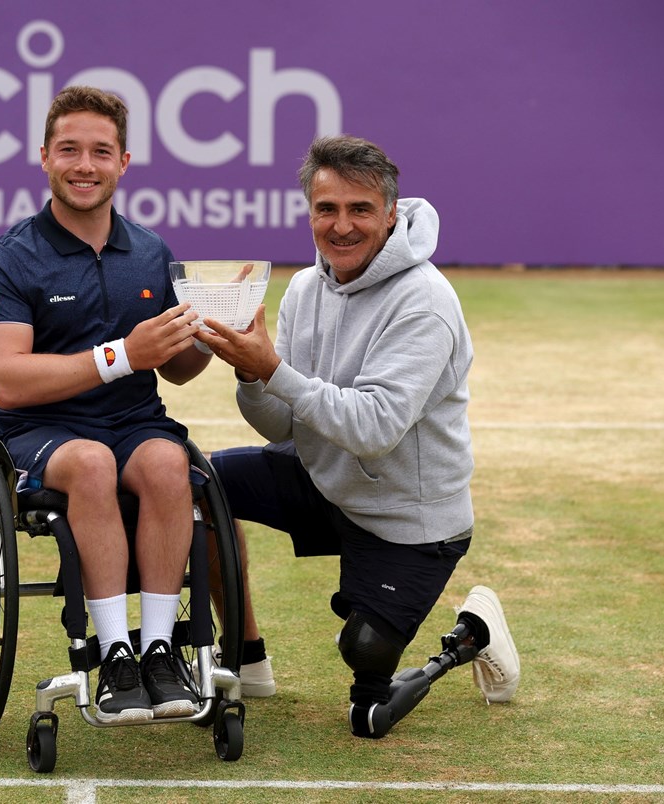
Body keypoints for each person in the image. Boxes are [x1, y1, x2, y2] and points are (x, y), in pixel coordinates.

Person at [196, 135, 520, 737]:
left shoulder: (424, 302)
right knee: (190, 481)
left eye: (360, 210)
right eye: (327, 209)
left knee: (365, 676)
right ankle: (244, 659)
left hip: (409, 518)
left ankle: (473, 634)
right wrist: (249, 372)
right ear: (309, 212)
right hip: (326, 481)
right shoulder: (302, 289)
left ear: (391, 214)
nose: (341, 226)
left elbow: (372, 429)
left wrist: (272, 369)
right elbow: (281, 425)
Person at [0, 86, 213, 723]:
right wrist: (123, 355)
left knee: (168, 466)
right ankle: (113, 655)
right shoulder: (6, 259)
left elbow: (180, 371)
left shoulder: (154, 252)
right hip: (39, 429)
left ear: (124, 163)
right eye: (70, 150)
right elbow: (9, 383)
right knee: (92, 465)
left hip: (134, 421)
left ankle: (159, 649)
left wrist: (214, 336)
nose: (85, 165)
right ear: (43, 156)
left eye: (100, 152)